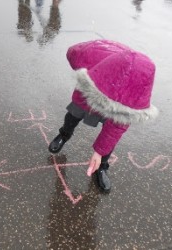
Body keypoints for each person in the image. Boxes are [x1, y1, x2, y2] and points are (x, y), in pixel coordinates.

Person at [48, 39, 158, 193]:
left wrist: (99, 152)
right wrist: (85, 77)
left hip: (116, 101)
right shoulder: (93, 54)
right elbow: (73, 54)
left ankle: (102, 167)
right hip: (87, 96)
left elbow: (116, 129)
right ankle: (64, 135)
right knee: (73, 116)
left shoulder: (135, 92)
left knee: (110, 137)